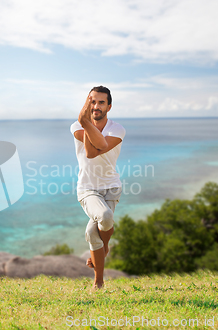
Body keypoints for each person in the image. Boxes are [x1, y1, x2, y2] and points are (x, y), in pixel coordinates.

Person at [70, 86, 126, 289]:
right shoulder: (76, 126)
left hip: (112, 188)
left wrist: (86, 121)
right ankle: (106, 246)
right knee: (104, 217)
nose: (96, 106)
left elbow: (98, 147)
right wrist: (84, 122)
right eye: (92, 101)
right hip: (87, 189)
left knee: (93, 232)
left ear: (109, 106)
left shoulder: (117, 129)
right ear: (87, 103)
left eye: (101, 102)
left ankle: (98, 283)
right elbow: (90, 152)